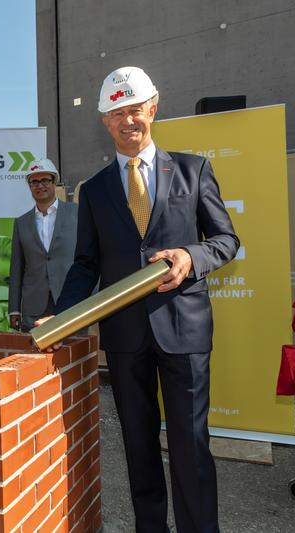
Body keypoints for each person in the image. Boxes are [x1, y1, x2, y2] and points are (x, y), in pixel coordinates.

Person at [40, 67, 239, 533]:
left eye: (134, 110)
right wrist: (62, 315)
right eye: (116, 114)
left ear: (152, 107)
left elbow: (226, 241)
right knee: (138, 447)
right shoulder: (94, 190)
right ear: (105, 122)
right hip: (126, 337)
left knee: (191, 447)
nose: (127, 121)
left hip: (184, 332)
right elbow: (86, 263)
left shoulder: (194, 169)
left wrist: (191, 256)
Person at [8, 158, 78, 332]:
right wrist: (14, 308)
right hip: (34, 306)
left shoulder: (77, 213)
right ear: (30, 186)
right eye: (34, 182)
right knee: (36, 356)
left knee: (75, 353)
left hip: (71, 300)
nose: (40, 186)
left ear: (54, 183)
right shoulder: (21, 223)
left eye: (45, 180)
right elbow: (16, 269)